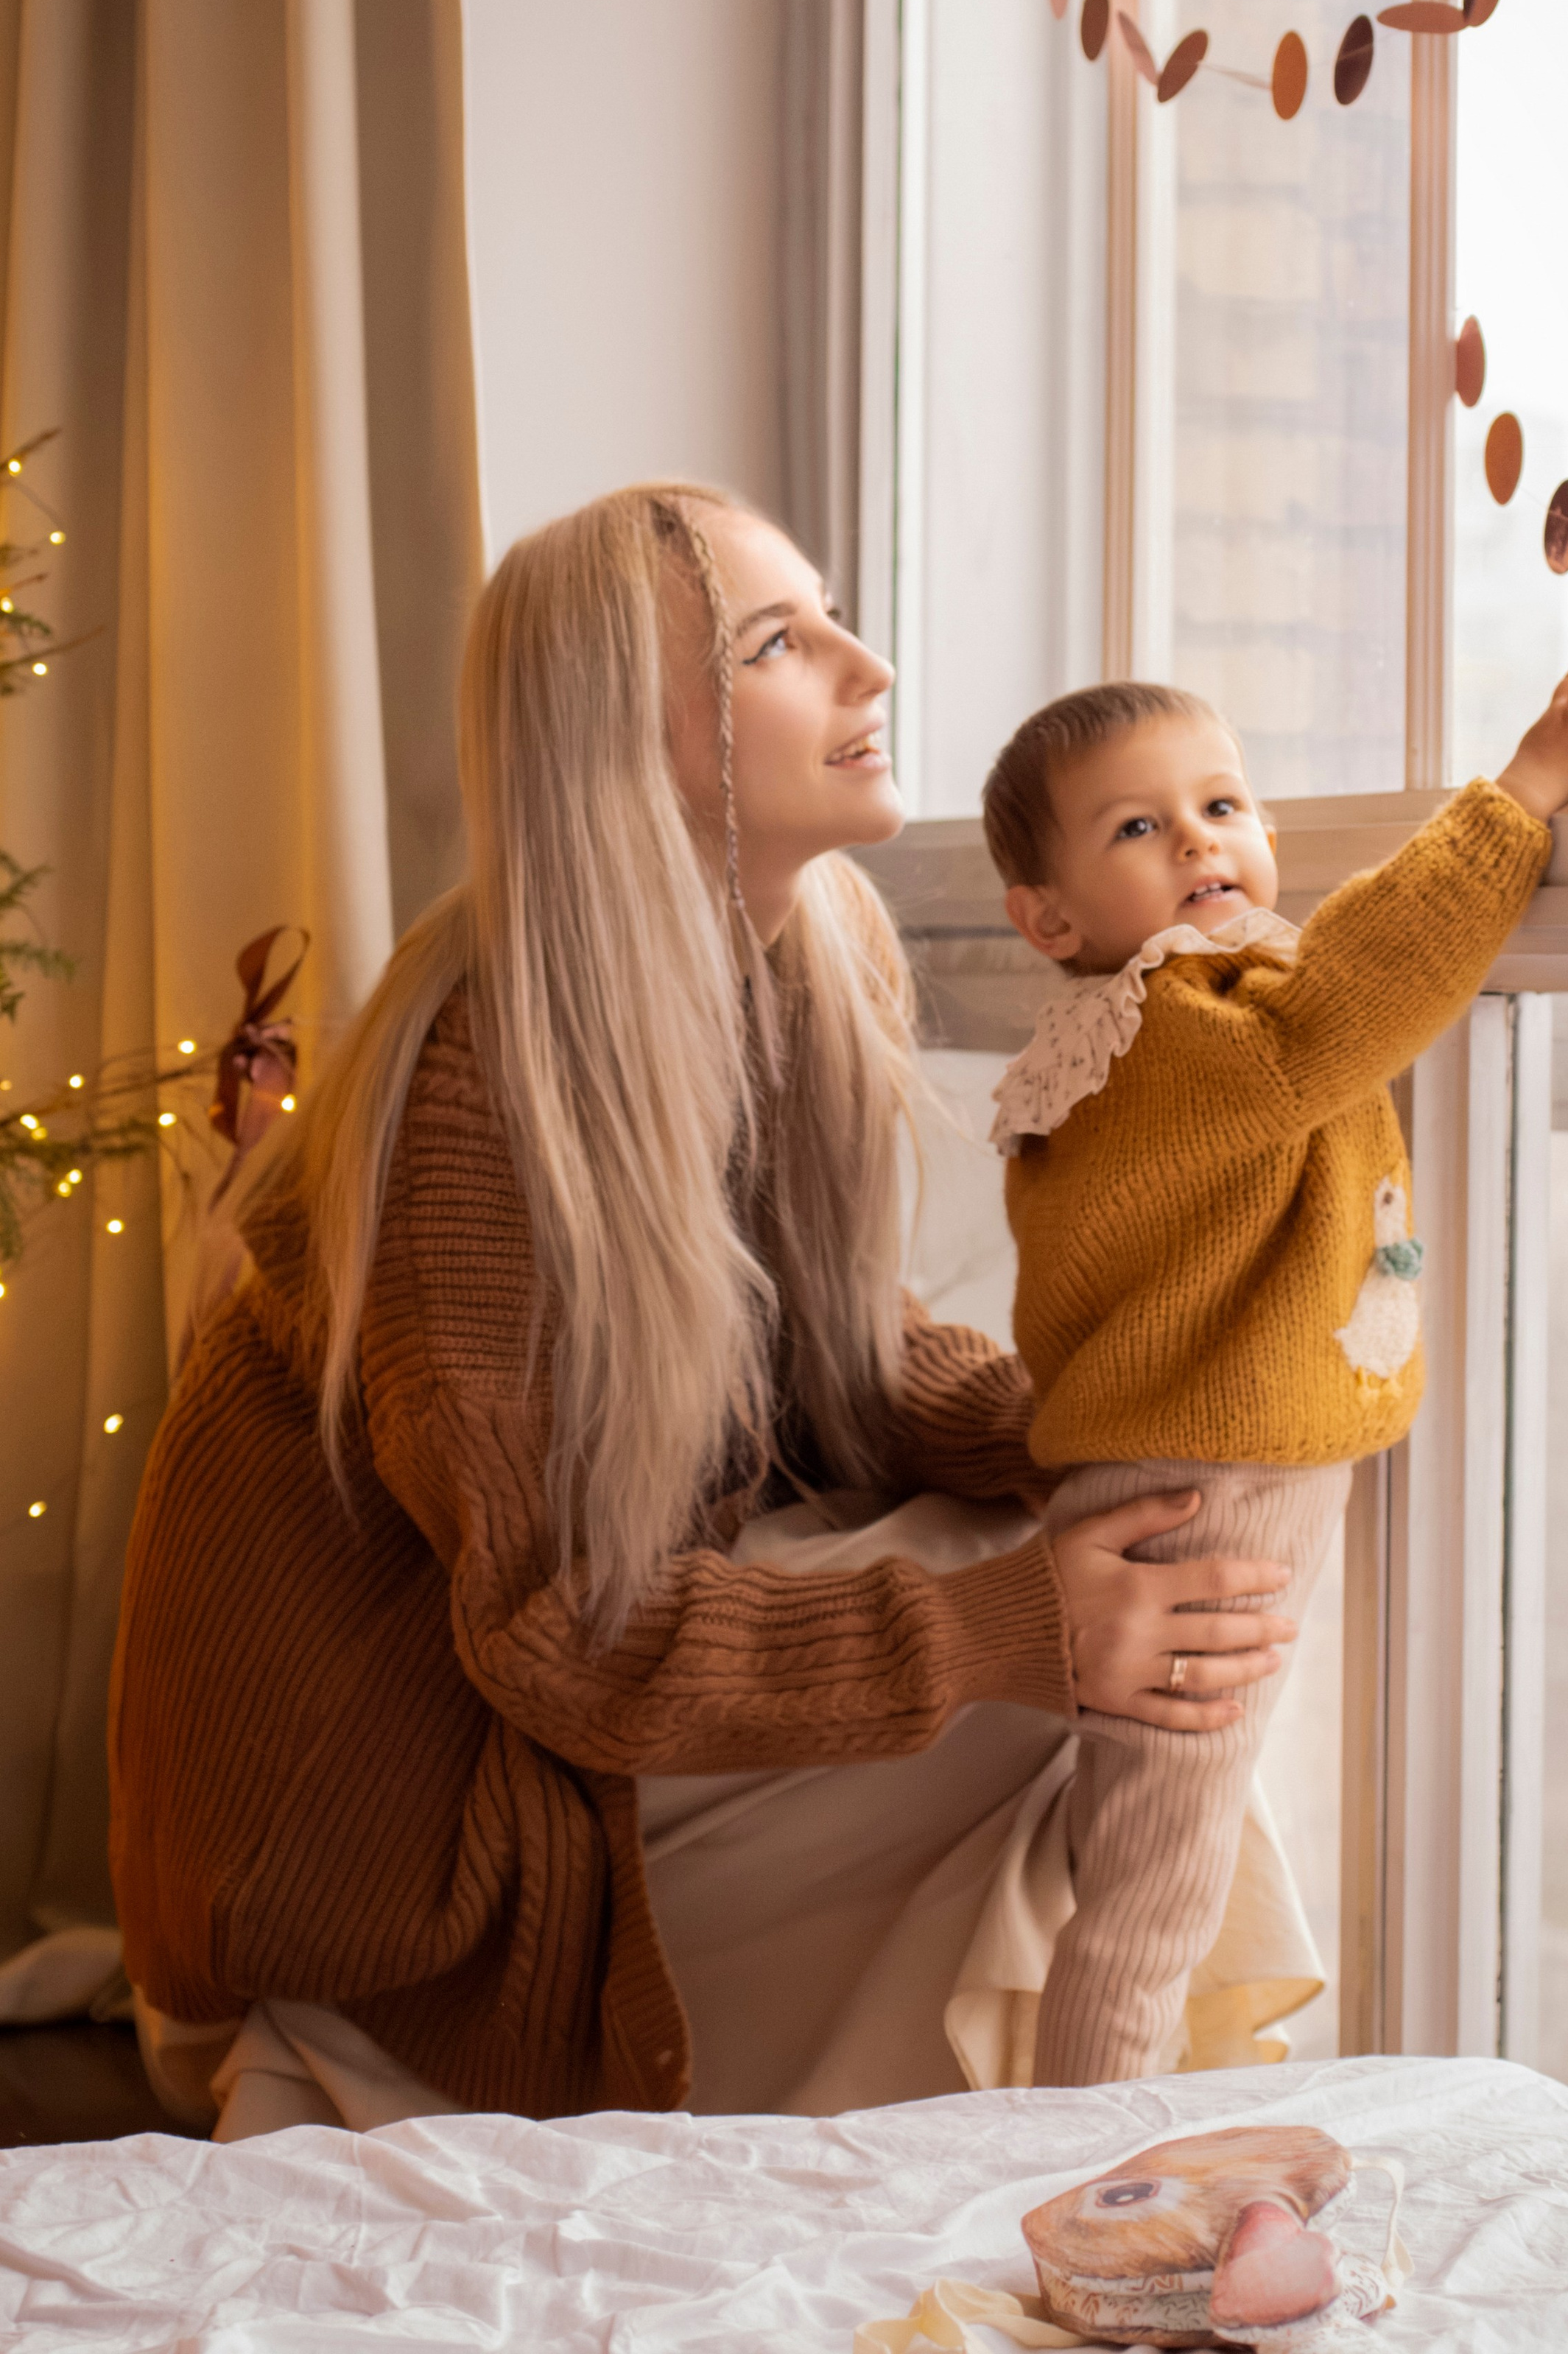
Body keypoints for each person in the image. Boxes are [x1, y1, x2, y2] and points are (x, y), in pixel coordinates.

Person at [108, 483, 1301, 2140]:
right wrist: (1020, 1628)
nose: (866, 666)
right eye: (780, 642)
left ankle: (1098, 2121)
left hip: (544, 1703)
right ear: (623, 730)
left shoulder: (786, 966)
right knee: (1096, 1631)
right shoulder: (485, 1083)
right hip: (399, 1841)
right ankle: (1083, 2138)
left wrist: (1098, 1429)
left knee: (1153, 1551)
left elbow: (839, 1356)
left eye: (830, 620)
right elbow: (565, 1635)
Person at [980, 635, 1568, 2085]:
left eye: (1222, 804)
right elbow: (1353, 995)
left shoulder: (1129, 1035)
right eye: (1136, 827)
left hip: (1169, 1472)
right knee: (1148, 1895)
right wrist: (1516, 797)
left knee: (1154, 1861)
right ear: (1047, 918)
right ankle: (1087, 2175)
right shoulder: (1171, 1032)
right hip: (1202, 1497)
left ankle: (1106, 2143)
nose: (1197, 841)